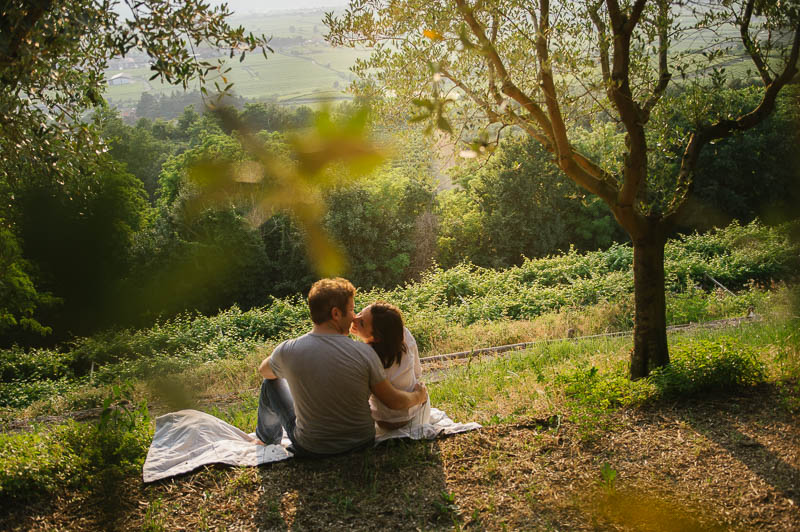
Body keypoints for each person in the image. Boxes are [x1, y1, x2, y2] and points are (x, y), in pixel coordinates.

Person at [255, 278, 428, 456]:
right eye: (352, 309)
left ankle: (266, 440)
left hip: (312, 448)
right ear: (336, 314)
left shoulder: (287, 350)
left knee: (270, 384)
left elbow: (264, 371)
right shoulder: (364, 352)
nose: (354, 317)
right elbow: (393, 401)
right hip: (362, 442)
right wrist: (418, 396)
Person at [350, 301, 430, 430]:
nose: (354, 318)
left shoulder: (365, 354)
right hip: (418, 412)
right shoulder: (404, 333)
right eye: (359, 313)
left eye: (362, 322)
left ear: (376, 338)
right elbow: (417, 372)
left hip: (385, 422)